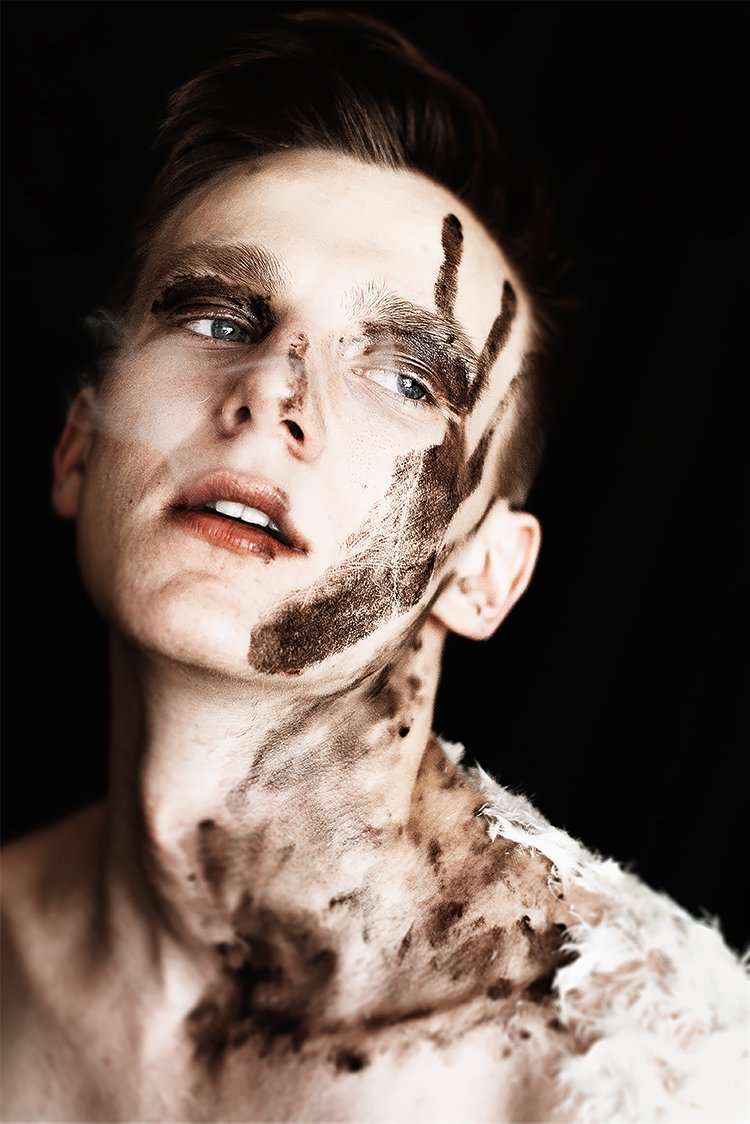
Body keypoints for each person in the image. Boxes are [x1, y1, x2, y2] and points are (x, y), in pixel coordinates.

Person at [1, 7, 747, 1122]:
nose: (272, 389)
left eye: (406, 378)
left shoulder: (635, 1066)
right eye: (221, 316)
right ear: (77, 446)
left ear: (488, 573)